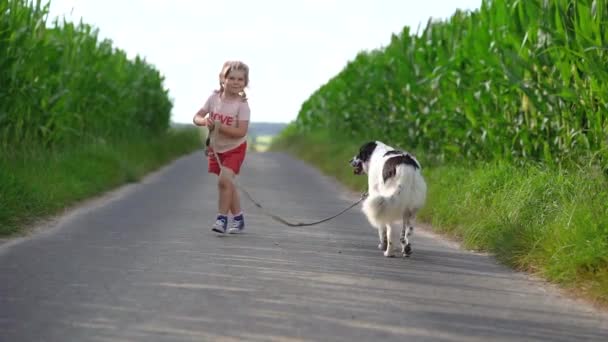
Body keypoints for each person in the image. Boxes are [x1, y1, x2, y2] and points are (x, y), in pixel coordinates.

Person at [193, 61, 251, 234]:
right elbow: (197, 117)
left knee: (224, 181)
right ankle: (238, 219)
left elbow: (241, 131)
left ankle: (222, 219)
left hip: (235, 148)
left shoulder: (242, 105)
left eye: (240, 79)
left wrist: (219, 126)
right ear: (222, 79)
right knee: (228, 184)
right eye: (231, 78)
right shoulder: (213, 98)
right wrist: (204, 121)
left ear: (245, 83)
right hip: (216, 148)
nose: (235, 82)